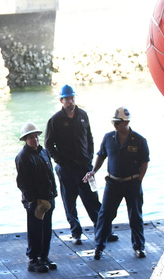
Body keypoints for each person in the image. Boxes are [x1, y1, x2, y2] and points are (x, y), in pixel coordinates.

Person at [44, 84, 116, 245]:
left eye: (72, 98)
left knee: (93, 200)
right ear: (61, 100)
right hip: (66, 168)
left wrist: (90, 157)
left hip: (84, 166)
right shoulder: (54, 120)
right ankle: (76, 232)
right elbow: (48, 145)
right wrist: (60, 161)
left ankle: (102, 230)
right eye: (67, 99)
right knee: (69, 202)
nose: (70, 101)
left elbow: (89, 138)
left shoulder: (83, 115)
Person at [91, 107, 150, 260]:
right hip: (113, 183)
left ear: (127, 122)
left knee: (135, 216)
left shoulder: (139, 140)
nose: (115, 126)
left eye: (118, 123)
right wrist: (93, 171)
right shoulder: (108, 138)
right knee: (105, 215)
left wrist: (139, 179)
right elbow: (101, 156)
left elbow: (144, 162)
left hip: (132, 183)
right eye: (113, 122)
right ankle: (99, 246)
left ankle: (139, 247)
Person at [14, 122, 58, 273]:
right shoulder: (23, 157)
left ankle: (43, 257)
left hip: (48, 197)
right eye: (31, 137)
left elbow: (50, 174)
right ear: (25, 139)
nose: (35, 140)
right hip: (35, 200)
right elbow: (23, 182)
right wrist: (32, 200)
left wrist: (53, 194)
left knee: (46, 229)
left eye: (36, 137)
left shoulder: (43, 152)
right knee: (35, 230)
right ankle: (33, 259)